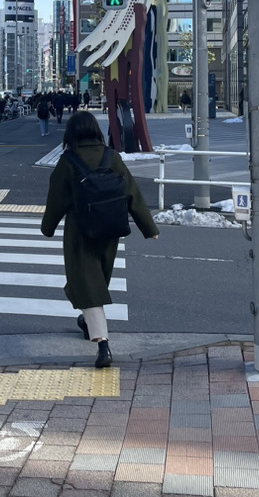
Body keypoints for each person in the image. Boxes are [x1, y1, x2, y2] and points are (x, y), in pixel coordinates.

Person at [41, 110, 159, 368]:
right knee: (97, 280)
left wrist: (47, 227)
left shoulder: (68, 161)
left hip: (80, 233)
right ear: (95, 130)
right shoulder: (112, 157)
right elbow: (132, 194)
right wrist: (149, 227)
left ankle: (103, 344)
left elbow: (56, 199)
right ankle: (87, 322)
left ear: (71, 133)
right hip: (110, 230)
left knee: (88, 286)